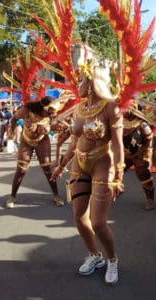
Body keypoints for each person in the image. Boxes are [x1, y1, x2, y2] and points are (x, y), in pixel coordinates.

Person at [51, 61, 125, 285]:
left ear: (92, 83)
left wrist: (119, 176)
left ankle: (112, 260)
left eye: (82, 81)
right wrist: (62, 165)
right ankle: (95, 256)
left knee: (98, 222)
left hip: (101, 162)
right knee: (78, 216)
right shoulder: (80, 108)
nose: (79, 85)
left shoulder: (111, 107)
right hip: (79, 164)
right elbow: (74, 142)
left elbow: (118, 144)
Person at [4, 96, 64, 209]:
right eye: (50, 111)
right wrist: (10, 133)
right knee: (21, 169)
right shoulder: (27, 110)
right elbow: (14, 119)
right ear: (43, 108)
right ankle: (12, 196)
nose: (52, 114)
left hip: (42, 140)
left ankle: (56, 195)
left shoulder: (52, 113)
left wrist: (53, 128)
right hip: (26, 140)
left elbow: (54, 125)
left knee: (47, 168)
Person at [123, 104, 155, 210]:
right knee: (115, 172)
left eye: (129, 109)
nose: (126, 111)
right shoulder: (119, 121)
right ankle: (114, 190)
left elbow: (149, 140)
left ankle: (150, 198)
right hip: (124, 154)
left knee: (143, 174)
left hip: (139, 155)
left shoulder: (142, 124)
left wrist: (148, 157)